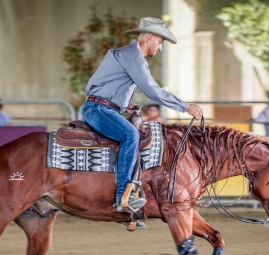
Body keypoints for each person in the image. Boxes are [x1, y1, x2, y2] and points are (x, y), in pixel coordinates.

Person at [83, 17, 203, 212]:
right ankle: (125, 194)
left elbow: (105, 86)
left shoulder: (128, 55)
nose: (161, 48)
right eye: (161, 42)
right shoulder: (134, 56)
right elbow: (152, 90)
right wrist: (185, 106)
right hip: (98, 110)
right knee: (130, 134)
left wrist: (123, 106)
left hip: (101, 108)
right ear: (150, 38)